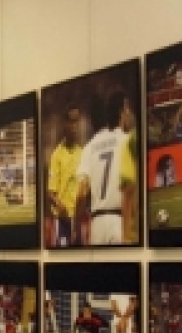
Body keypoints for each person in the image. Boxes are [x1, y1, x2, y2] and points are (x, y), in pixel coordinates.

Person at [76, 91, 133, 244]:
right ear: (121, 112)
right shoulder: (127, 141)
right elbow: (130, 188)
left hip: (97, 224)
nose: (129, 113)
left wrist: (76, 225)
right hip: (120, 220)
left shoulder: (89, 147)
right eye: (127, 108)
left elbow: (81, 192)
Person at [46, 106, 82, 247]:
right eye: (72, 121)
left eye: (77, 122)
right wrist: (59, 204)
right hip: (63, 221)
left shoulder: (82, 152)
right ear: (65, 124)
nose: (75, 126)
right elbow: (51, 193)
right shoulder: (57, 155)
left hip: (77, 219)